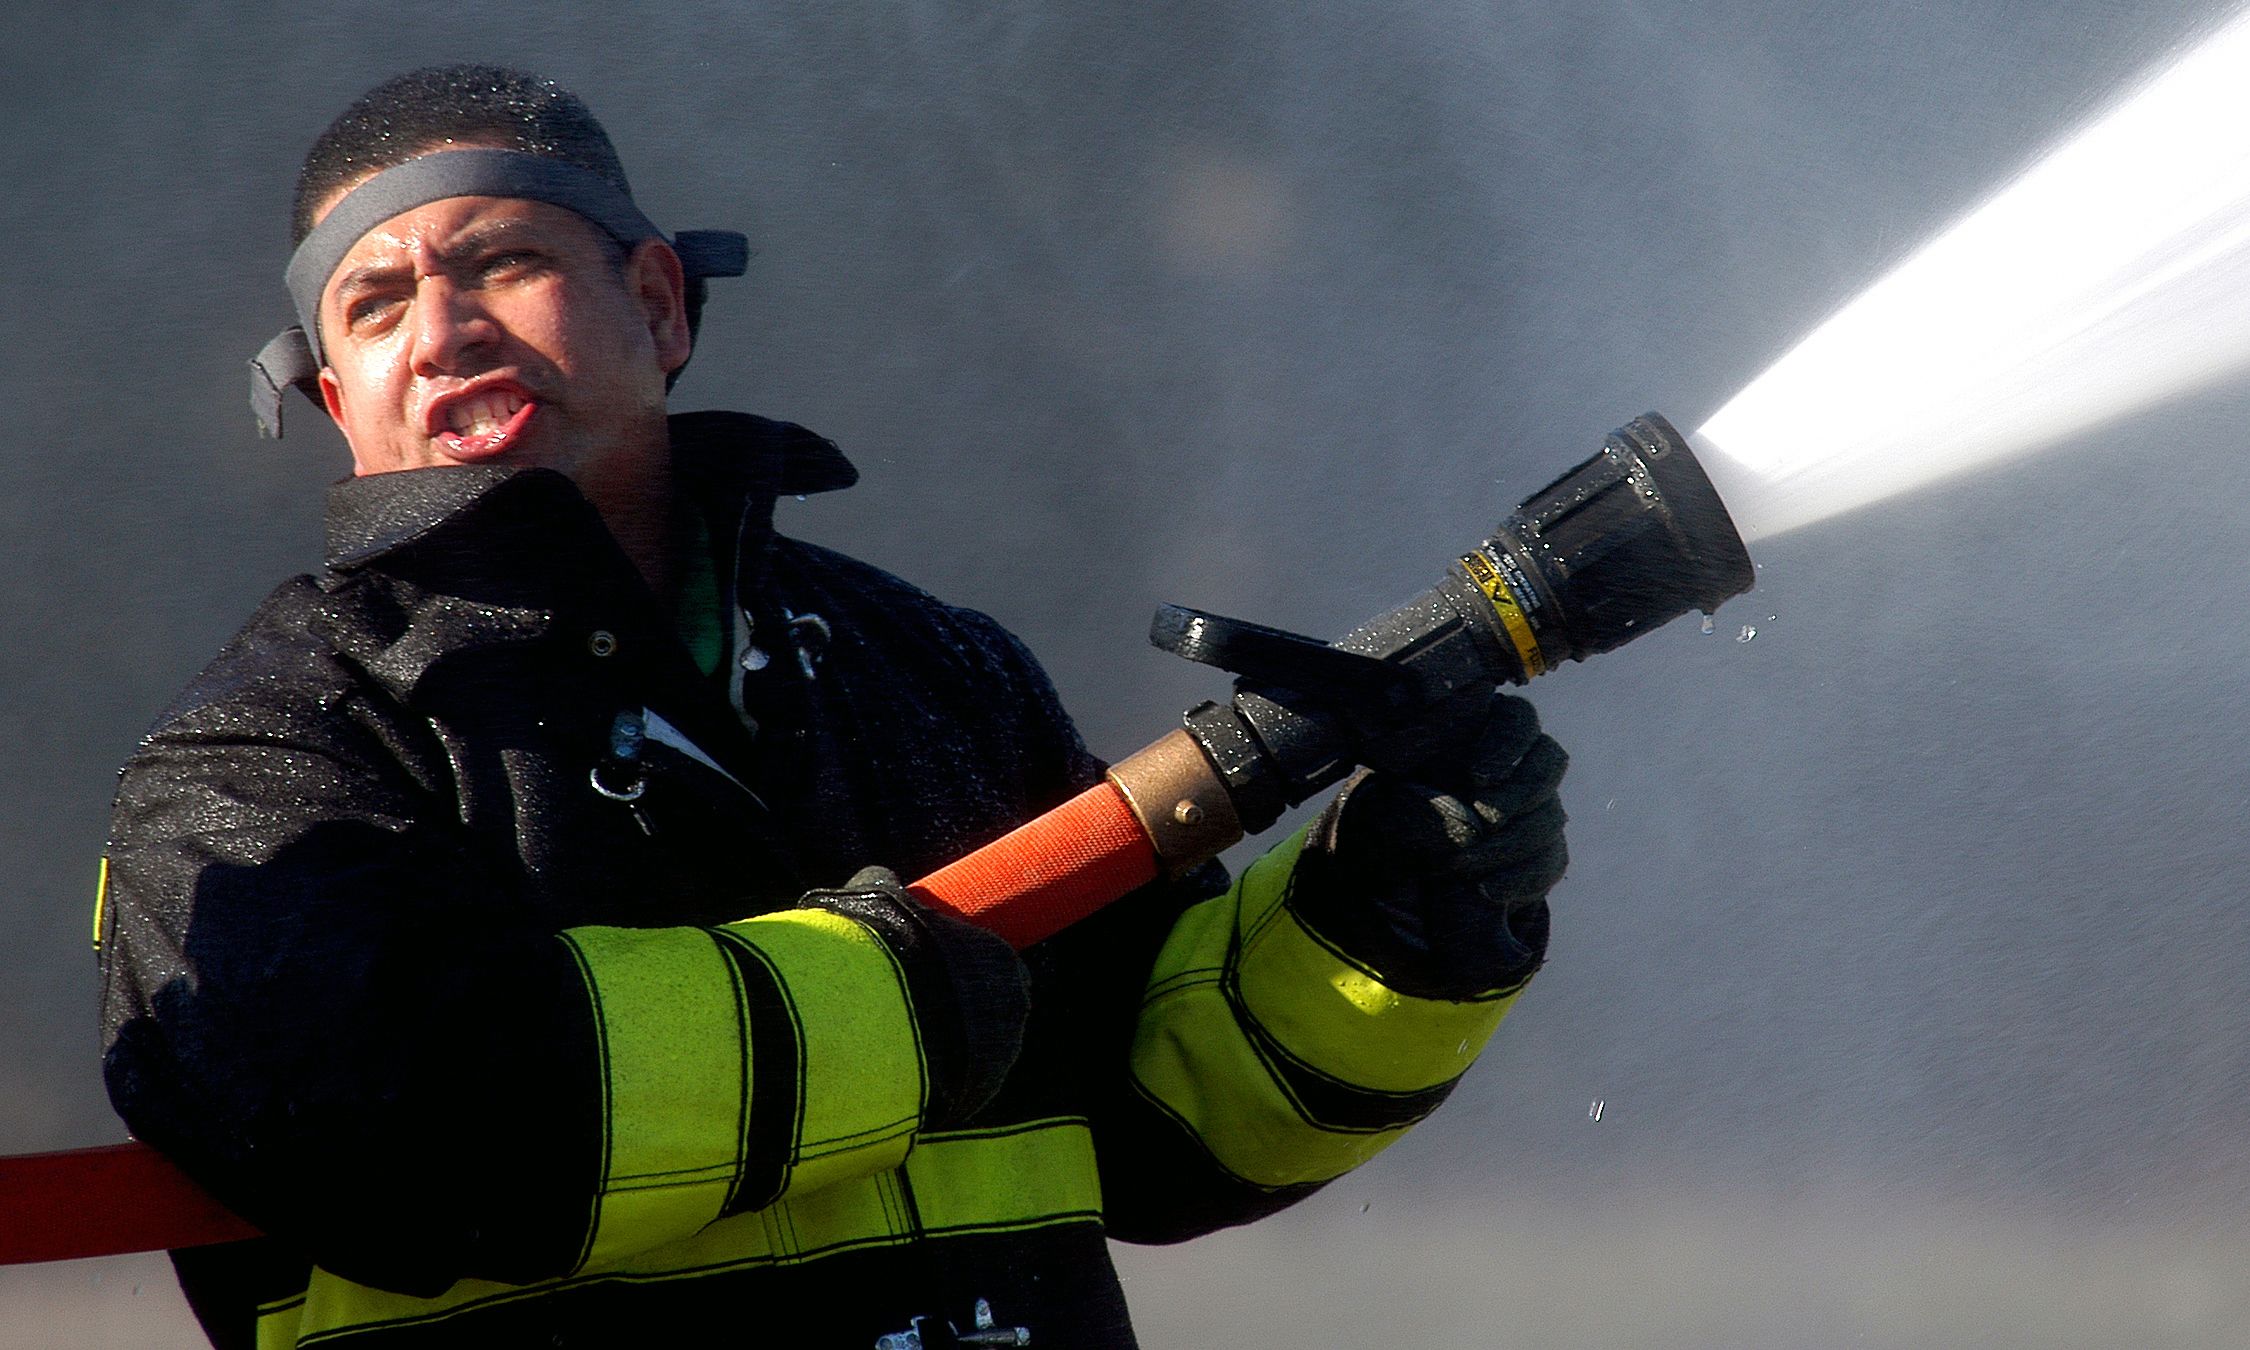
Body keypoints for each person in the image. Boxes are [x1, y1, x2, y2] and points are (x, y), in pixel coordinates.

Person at [96, 65, 1569, 1348]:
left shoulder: (926, 670)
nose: (441, 328)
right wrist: (887, 1005)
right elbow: (406, 1121)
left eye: (500, 261)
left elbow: (1158, 1120)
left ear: (659, 302)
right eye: (374, 301)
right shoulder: (267, 753)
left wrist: (1392, 923)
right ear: (338, 400)